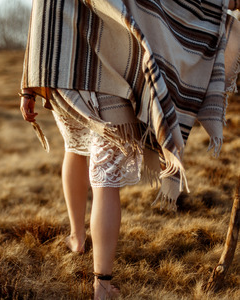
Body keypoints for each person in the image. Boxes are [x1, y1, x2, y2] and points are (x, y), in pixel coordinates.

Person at [20, 0, 239, 299]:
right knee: (105, 181)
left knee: (76, 150)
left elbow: (41, 21)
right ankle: (102, 284)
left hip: (61, 78)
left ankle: (77, 237)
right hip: (104, 77)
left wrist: (27, 88)